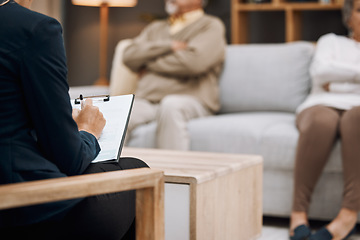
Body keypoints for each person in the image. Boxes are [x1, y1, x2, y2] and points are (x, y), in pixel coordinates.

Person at [0, 0, 147, 239]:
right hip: (22, 206)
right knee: (137, 171)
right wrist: (87, 131)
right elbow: (70, 159)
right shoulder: (35, 29)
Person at [110, 0, 226, 150]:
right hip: (148, 101)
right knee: (118, 112)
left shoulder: (210, 26)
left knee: (171, 105)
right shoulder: (156, 28)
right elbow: (129, 56)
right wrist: (168, 46)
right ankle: (109, 172)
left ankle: (172, 173)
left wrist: (147, 62)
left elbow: (193, 63)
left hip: (191, 100)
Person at [289, 0, 360, 239]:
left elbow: (329, 77)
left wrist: (337, 81)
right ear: (349, 17)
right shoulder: (331, 41)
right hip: (320, 105)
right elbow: (320, 72)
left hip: (357, 110)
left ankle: (347, 217)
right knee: (322, 122)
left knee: (356, 118)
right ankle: (298, 214)